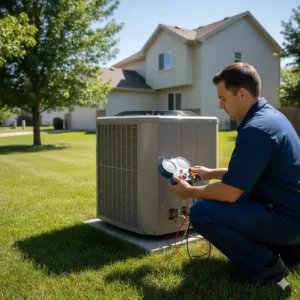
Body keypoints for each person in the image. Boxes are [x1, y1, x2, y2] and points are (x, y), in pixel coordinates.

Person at [170, 62, 300, 286]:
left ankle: (268, 267)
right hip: (291, 212)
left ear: (241, 94)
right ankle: (287, 250)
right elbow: (252, 171)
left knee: (202, 213)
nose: (220, 106)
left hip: (288, 221)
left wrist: (189, 192)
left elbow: (230, 193)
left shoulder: (256, 130)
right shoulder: (272, 118)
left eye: (223, 98)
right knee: (239, 198)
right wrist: (211, 173)